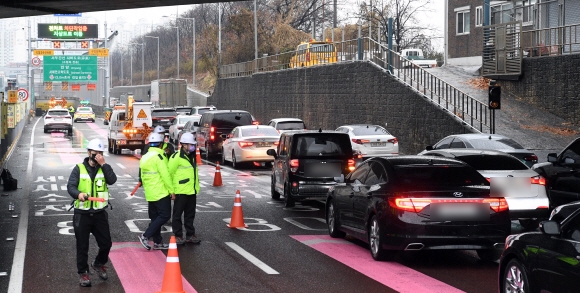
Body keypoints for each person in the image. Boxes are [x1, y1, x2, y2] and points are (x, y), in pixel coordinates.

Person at [67, 138, 117, 287]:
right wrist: (78, 194)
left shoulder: (104, 168)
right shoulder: (78, 168)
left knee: (106, 243)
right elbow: (71, 186)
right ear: (88, 152)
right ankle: (83, 273)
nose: (97, 156)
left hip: (99, 213)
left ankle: (99, 263)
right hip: (82, 213)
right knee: (82, 246)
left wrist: (104, 164)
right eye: (95, 153)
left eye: (100, 154)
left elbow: (112, 180)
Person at [138, 132, 175, 250]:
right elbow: (166, 175)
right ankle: (146, 235)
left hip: (150, 192)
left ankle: (158, 241)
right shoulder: (160, 157)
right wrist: (172, 191)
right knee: (165, 215)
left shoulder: (144, 157)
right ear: (160, 145)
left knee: (155, 218)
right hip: (161, 192)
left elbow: (142, 176)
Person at [168, 133, 201, 245]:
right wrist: (171, 191)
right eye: (190, 145)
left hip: (192, 190)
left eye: (193, 145)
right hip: (180, 191)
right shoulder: (176, 157)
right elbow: (169, 174)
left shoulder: (192, 156)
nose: (192, 147)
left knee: (190, 214)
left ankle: (190, 235)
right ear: (184, 145)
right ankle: (178, 235)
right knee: (177, 215)